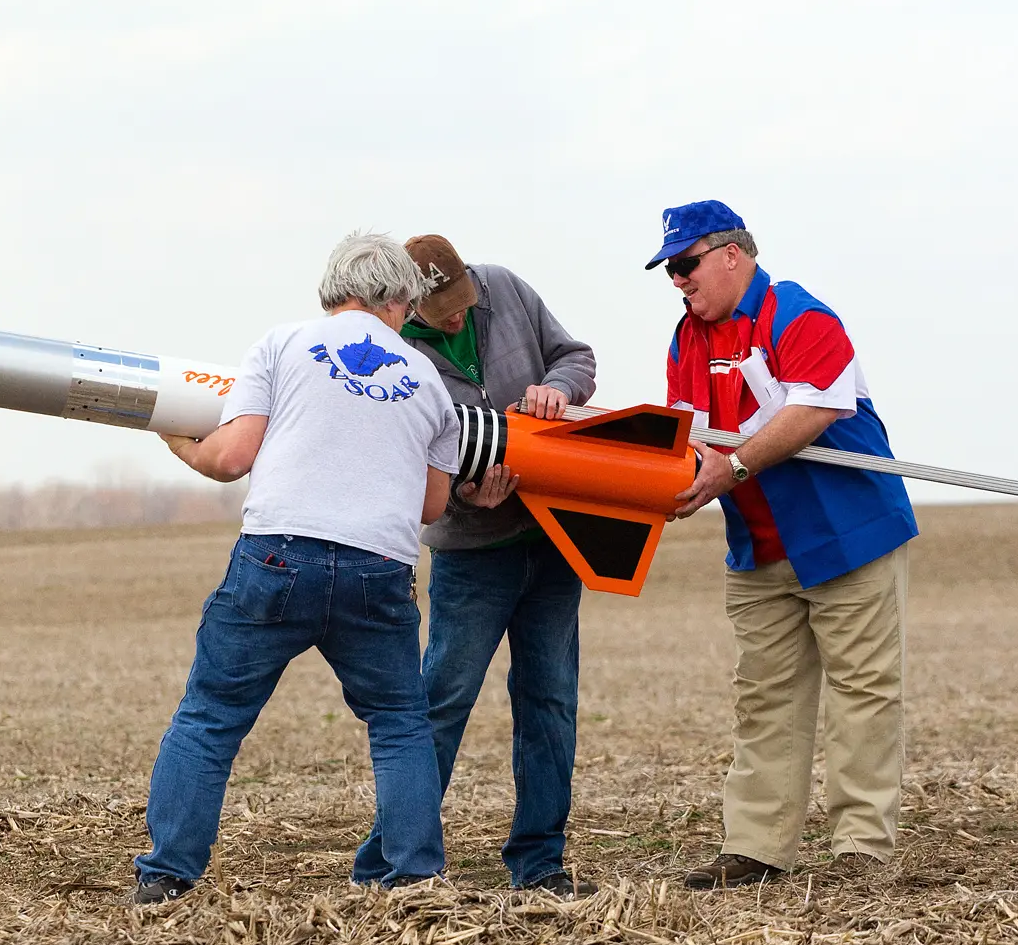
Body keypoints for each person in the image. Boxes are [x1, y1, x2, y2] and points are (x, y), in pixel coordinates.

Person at [133, 232, 463, 903]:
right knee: (400, 722)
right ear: (397, 298)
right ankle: (414, 875)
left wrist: (179, 445)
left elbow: (229, 457)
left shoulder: (282, 344)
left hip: (278, 554)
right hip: (378, 566)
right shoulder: (429, 379)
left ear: (336, 288)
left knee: (211, 714)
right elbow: (432, 502)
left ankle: (168, 874)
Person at [647, 200, 918, 889]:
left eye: (686, 264)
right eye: (669, 270)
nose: (678, 280)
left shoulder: (800, 315)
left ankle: (861, 848)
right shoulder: (686, 341)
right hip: (758, 546)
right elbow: (686, 440)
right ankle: (758, 847)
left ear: (732, 254)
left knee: (863, 691)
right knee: (764, 696)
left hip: (847, 534)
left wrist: (731, 467)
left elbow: (817, 406)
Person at [354, 234, 600, 899]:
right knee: (440, 701)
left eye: (463, 303)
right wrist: (464, 493)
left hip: (553, 539)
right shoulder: (394, 354)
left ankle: (540, 862)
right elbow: (396, 456)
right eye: (443, 311)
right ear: (407, 303)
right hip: (470, 553)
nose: (459, 317)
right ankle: (390, 862)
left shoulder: (505, 287)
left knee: (550, 700)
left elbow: (577, 357)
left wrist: (556, 388)